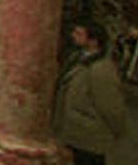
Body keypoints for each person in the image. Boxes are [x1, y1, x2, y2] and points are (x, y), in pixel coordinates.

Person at [53, 20, 126, 165]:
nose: (73, 36)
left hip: (87, 137)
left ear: (93, 41)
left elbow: (110, 106)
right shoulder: (78, 57)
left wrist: (117, 131)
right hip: (73, 133)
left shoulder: (102, 69)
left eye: (79, 34)